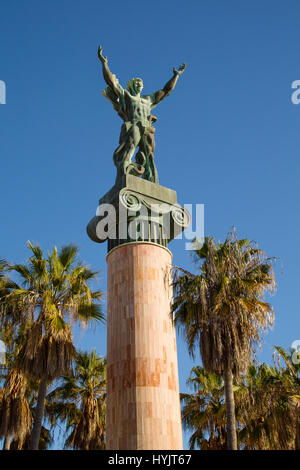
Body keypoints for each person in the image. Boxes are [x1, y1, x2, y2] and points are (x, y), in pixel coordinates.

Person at [98, 45, 186, 183]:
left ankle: (151, 180)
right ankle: (124, 175)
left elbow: (166, 91)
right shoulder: (127, 96)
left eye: (141, 83)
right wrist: (104, 64)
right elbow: (111, 82)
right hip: (134, 125)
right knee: (129, 150)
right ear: (131, 85)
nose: (139, 85)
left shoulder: (148, 99)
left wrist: (176, 76)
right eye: (136, 83)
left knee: (150, 156)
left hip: (147, 127)